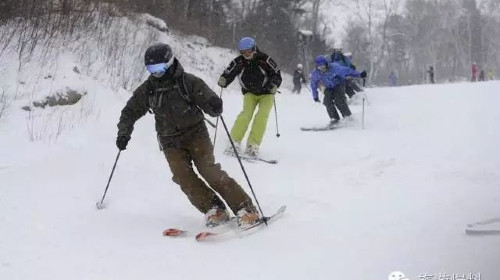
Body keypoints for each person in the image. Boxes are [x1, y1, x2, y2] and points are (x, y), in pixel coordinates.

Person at [116, 43, 259, 228]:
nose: (156, 73)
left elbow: (209, 101)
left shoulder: (188, 82)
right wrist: (124, 133)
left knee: (209, 171)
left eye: (159, 68)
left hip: (195, 134)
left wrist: (214, 105)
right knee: (182, 177)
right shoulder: (148, 89)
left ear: (169, 63)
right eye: (151, 69)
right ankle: (214, 208)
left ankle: (246, 209)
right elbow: (129, 112)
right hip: (169, 140)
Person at [218, 37, 282, 157]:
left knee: (261, 117)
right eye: (243, 52)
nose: (246, 54)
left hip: (267, 94)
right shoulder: (239, 61)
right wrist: (224, 79)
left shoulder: (264, 59)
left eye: (249, 51)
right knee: (246, 114)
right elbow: (229, 71)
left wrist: (274, 85)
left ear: (254, 48)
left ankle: (253, 145)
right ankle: (234, 141)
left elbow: (276, 74)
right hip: (250, 93)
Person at [310, 55, 366, 127]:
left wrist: (360, 74)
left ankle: (348, 118)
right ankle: (335, 119)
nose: (321, 68)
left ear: (326, 64)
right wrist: (315, 97)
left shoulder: (334, 68)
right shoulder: (316, 73)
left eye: (323, 65)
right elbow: (313, 85)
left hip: (339, 84)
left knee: (339, 100)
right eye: (319, 66)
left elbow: (348, 71)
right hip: (329, 87)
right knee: (327, 101)